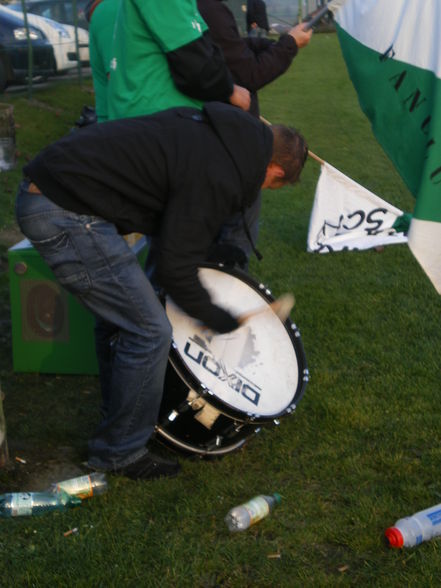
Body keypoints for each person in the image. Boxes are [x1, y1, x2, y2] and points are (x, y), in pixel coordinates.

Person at [15, 103, 308, 480]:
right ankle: (119, 452)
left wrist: (211, 252)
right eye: (270, 185)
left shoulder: (215, 132)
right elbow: (173, 269)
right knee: (150, 330)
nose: (260, 190)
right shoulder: (221, 172)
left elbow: (171, 210)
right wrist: (217, 316)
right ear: (275, 170)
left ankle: (117, 419)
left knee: (120, 319)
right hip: (64, 211)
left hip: (56, 191)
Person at [197, 0, 312, 261]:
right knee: (231, 240)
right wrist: (289, 46)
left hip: (207, 138)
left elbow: (233, 50)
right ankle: (226, 289)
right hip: (221, 142)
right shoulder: (207, 7)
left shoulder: (204, 8)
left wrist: (279, 45)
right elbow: (248, 74)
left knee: (191, 245)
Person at [106, 0, 250, 120]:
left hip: (153, 121)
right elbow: (196, 66)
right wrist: (229, 91)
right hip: (155, 123)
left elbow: (204, 46)